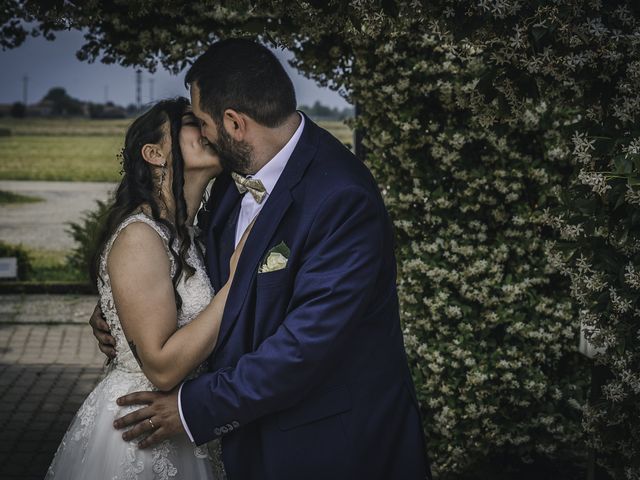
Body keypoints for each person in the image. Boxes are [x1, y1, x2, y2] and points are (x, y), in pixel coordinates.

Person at [91, 39, 432, 479]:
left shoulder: (341, 198)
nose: (201, 133)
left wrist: (194, 409)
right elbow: (191, 270)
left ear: (234, 123)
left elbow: (304, 347)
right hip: (248, 439)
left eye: (202, 121)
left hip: (329, 446)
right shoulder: (234, 183)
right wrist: (124, 309)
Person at [48, 97, 252, 479]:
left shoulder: (190, 234)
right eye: (191, 122)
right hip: (142, 427)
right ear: (154, 153)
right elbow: (160, 368)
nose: (209, 128)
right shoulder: (140, 237)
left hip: (184, 421)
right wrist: (236, 284)